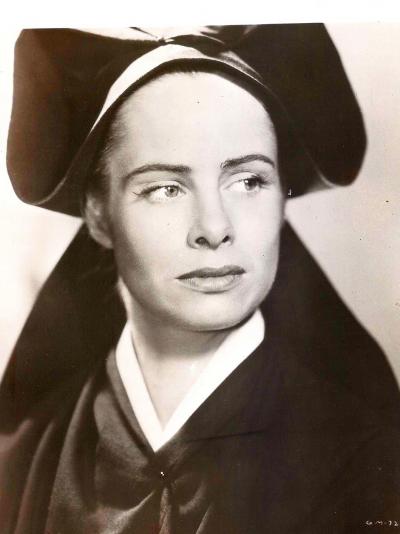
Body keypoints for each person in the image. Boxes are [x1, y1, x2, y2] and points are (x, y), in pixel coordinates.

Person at [1, 25, 400, 533]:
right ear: (99, 216)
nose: (214, 227)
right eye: (165, 188)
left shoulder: (364, 456)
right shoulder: (29, 454)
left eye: (249, 181)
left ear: (282, 199)